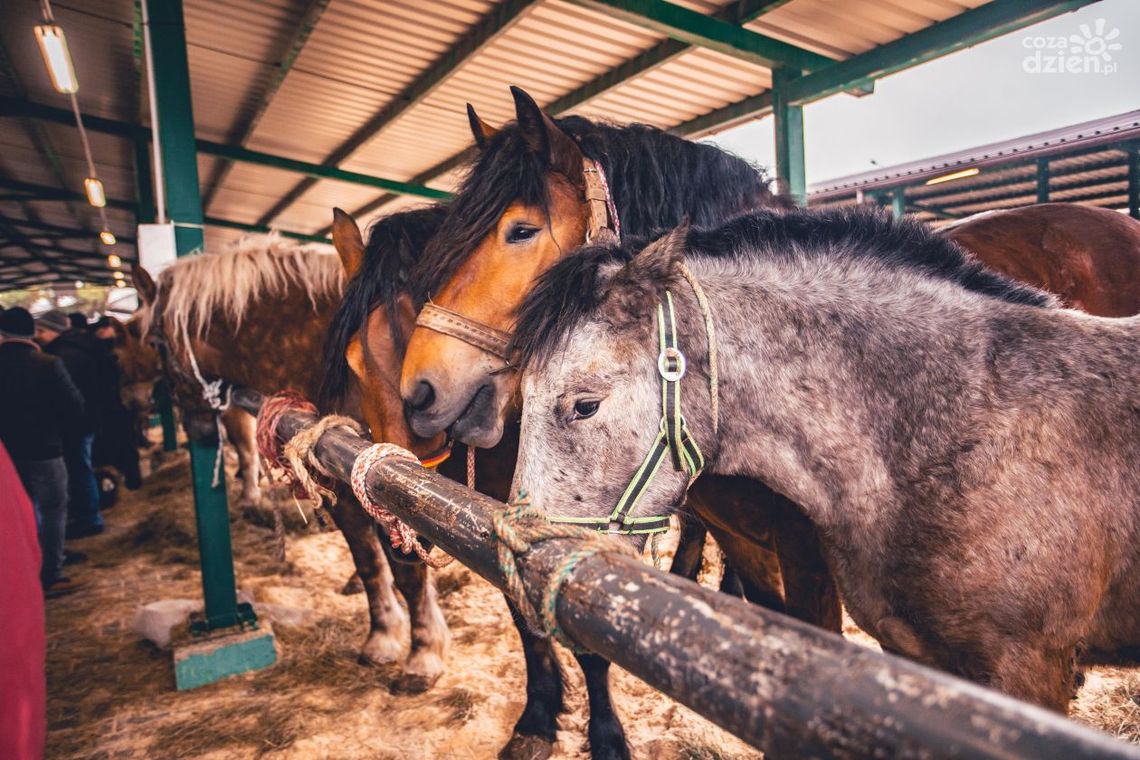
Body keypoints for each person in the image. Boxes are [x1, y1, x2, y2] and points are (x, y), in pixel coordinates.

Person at [0, 307, 86, 595]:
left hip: (7, 457)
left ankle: (23, 574)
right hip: (46, 450)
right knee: (53, 511)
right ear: (32, 332)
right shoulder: (48, 363)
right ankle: (51, 573)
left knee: (19, 514)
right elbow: (75, 407)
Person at [36, 309, 105, 537]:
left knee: (78, 469)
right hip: (87, 421)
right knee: (81, 467)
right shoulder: (80, 347)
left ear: (52, 331)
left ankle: (90, 518)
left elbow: (67, 396)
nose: (39, 335)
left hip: (75, 425)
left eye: (42, 331)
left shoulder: (63, 355)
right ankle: (89, 515)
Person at [91, 317, 142, 490]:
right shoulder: (118, 351)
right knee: (127, 444)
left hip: (110, 407)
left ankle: (126, 481)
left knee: (121, 443)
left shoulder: (98, 352)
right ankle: (131, 481)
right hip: (118, 406)